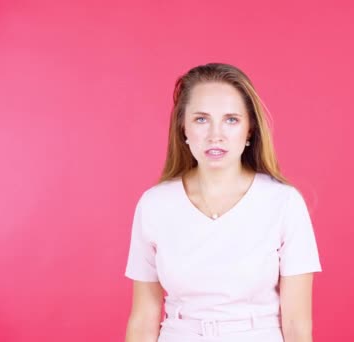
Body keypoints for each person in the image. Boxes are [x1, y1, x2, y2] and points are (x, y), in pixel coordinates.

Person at [124, 63, 322, 342]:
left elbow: (297, 323)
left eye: (231, 119)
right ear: (183, 127)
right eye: (201, 119)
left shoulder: (283, 203)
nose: (215, 135)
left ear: (249, 130)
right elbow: (143, 318)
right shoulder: (155, 205)